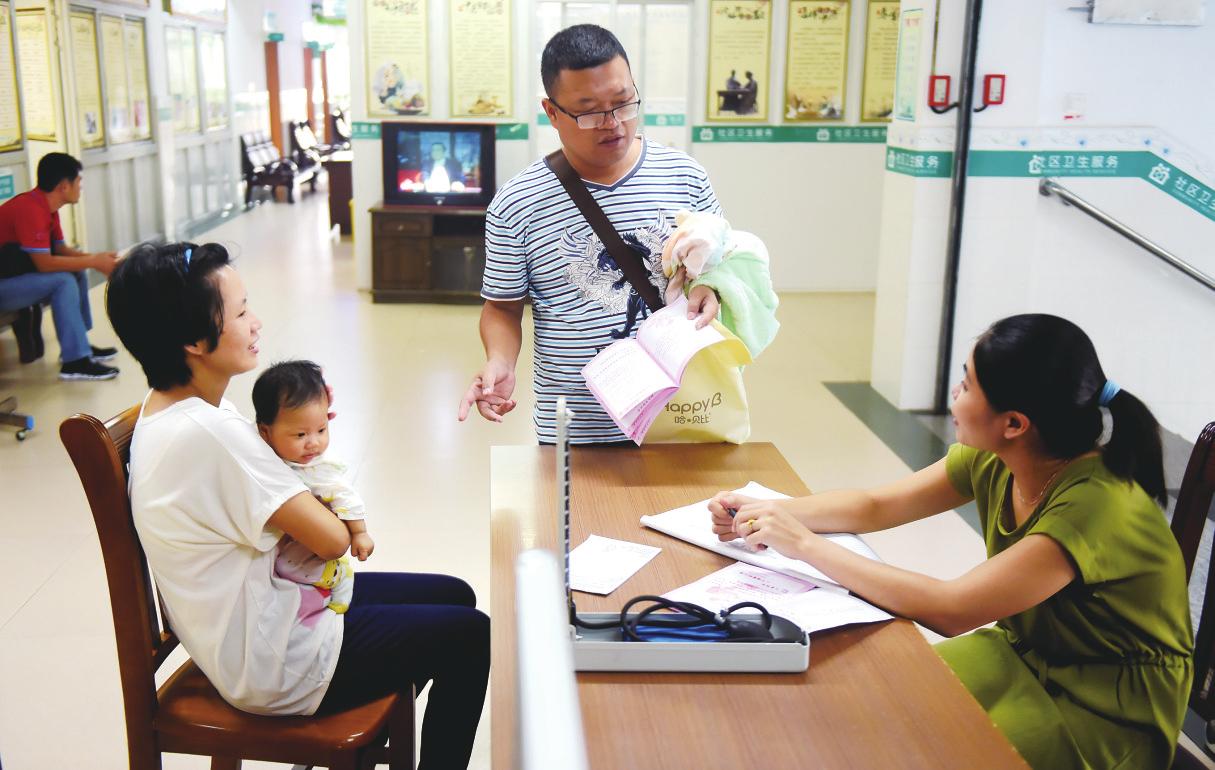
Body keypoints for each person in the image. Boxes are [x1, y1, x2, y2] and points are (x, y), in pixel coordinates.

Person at [709, 314, 1193, 769]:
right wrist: (767, 515)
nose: (954, 394)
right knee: (862, 704)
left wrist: (806, 545)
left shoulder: (1095, 505)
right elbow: (875, 506)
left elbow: (952, 609)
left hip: (1110, 705)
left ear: (1015, 423)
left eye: (967, 384)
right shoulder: (1002, 457)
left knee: (924, 751)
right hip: (1025, 649)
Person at [107, 242, 488, 769]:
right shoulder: (210, 434)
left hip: (269, 609)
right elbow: (333, 541)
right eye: (240, 312)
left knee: (455, 595)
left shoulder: (171, 412)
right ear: (194, 340)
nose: (256, 322)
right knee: (470, 634)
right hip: (276, 658)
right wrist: (324, 506)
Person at [457, 24, 723, 444]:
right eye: (589, 111)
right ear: (551, 112)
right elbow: (503, 307)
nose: (613, 124)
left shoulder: (685, 177)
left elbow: (721, 268)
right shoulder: (516, 202)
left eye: (624, 103)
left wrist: (714, 287)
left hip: (686, 414)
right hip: (581, 424)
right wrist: (500, 362)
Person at [253, 360, 374, 617]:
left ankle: (338, 577)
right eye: (300, 435)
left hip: (315, 544)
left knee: (290, 567)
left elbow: (347, 497)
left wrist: (360, 532)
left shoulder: (319, 471)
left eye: (321, 429)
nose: (314, 443)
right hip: (293, 539)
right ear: (264, 432)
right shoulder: (263, 457)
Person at [0, 152, 120, 379]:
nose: (80, 187)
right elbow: (44, 264)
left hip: (14, 278)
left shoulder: (48, 208)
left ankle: (79, 346)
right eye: (79, 181)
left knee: (75, 272)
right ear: (65, 186)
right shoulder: (31, 209)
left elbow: (61, 251)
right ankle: (75, 361)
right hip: (3, 285)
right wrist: (95, 261)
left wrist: (99, 258)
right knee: (62, 281)